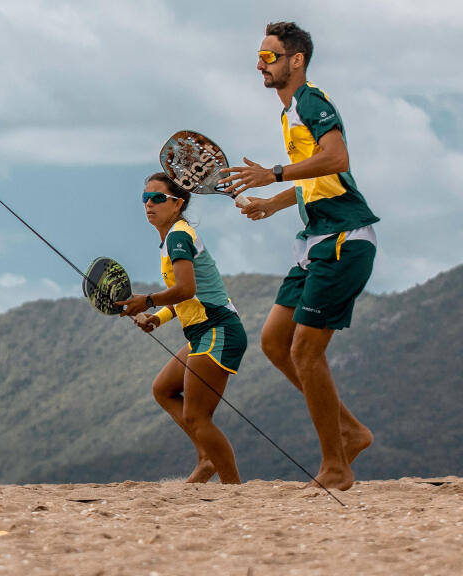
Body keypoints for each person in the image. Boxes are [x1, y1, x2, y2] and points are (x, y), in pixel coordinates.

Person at [220, 21, 377, 491]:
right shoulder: (290, 113)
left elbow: (337, 159)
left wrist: (273, 173)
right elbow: (317, 177)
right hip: (315, 240)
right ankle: (350, 431)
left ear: (296, 60)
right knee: (273, 341)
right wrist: (273, 202)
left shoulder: (311, 101)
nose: (259, 64)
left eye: (269, 56)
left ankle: (336, 466)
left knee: (306, 351)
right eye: (259, 56)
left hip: (345, 238)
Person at [120, 174, 246, 484]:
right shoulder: (171, 238)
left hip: (218, 329)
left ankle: (233, 489)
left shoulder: (178, 237)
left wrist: (147, 300)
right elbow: (185, 296)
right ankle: (207, 458)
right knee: (163, 389)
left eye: (158, 198)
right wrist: (156, 317)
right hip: (203, 332)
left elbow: (186, 289)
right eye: (145, 198)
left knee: (196, 416)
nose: (149, 203)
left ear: (178, 204)